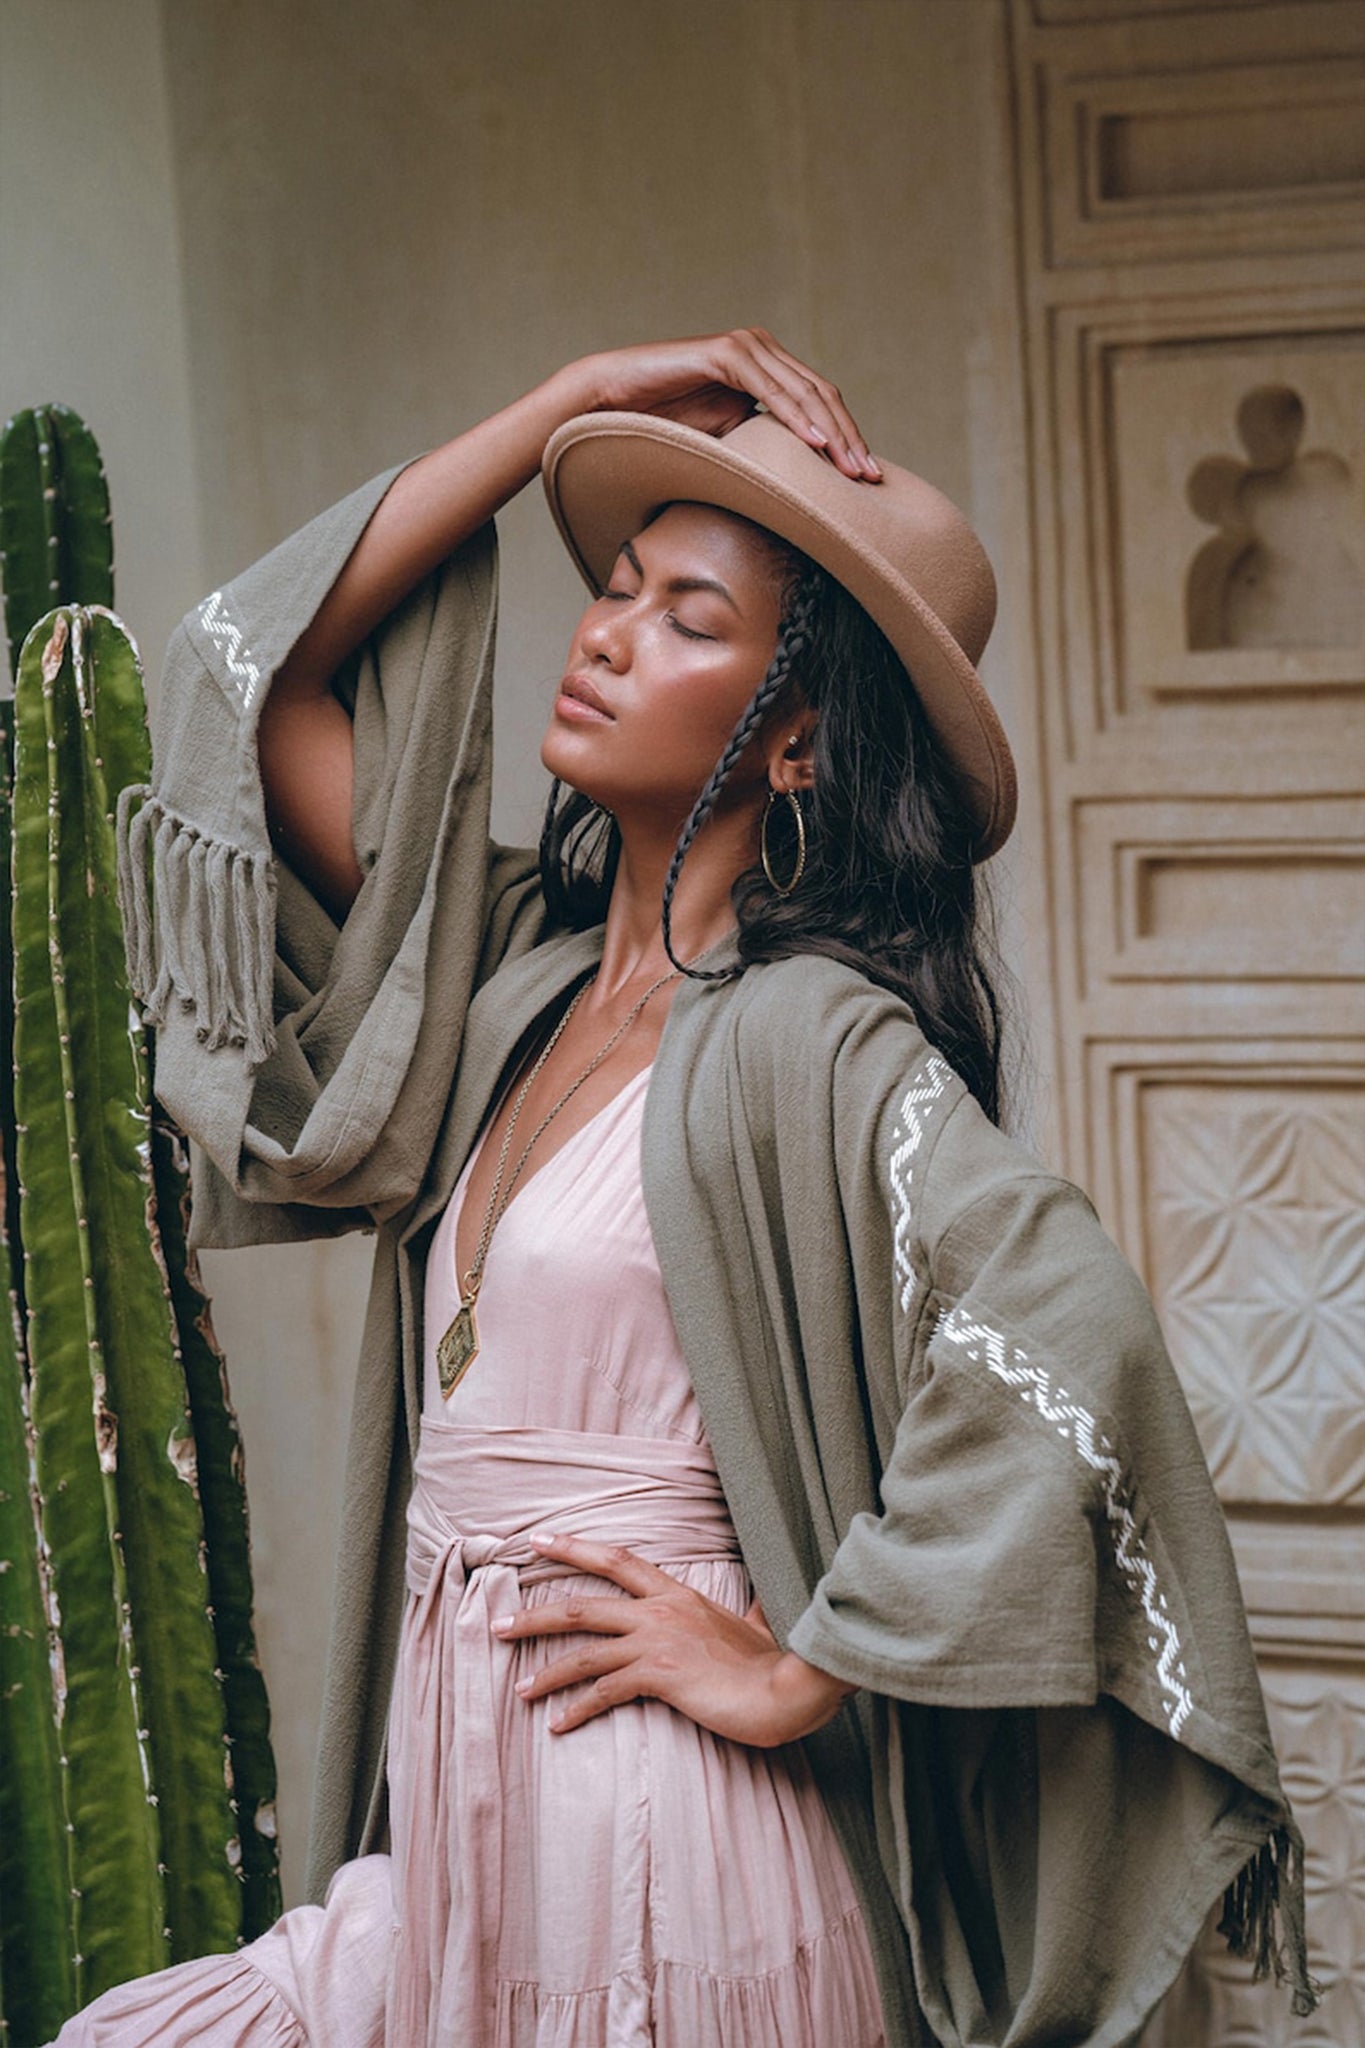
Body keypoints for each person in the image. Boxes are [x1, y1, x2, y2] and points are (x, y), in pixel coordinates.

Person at [62, 332, 1311, 2046]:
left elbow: (1068, 1328)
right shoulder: (505, 982)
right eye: (619, 584)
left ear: (796, 744)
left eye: (686, 621)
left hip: (664, 1858)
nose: (604, 630)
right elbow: (261, 680)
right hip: (467, 1823)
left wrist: (806, 1662)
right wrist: (568, 402)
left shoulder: (814, 1042)